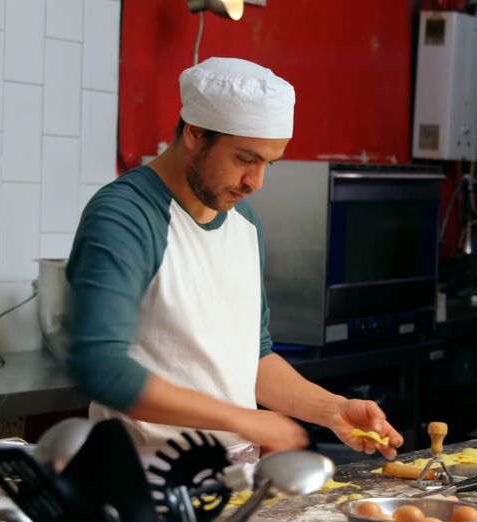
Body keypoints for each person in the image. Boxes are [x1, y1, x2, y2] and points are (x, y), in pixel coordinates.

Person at [66, 57, 403, 466]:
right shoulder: (126, 215)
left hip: (234, 481)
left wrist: (331, 409)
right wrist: (242, 420)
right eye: (245, 159)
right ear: (194, 132)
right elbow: (100, 366)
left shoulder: (243, 221)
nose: (256, 182)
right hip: (141, 484)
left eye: (268, 163)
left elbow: (253, 358)